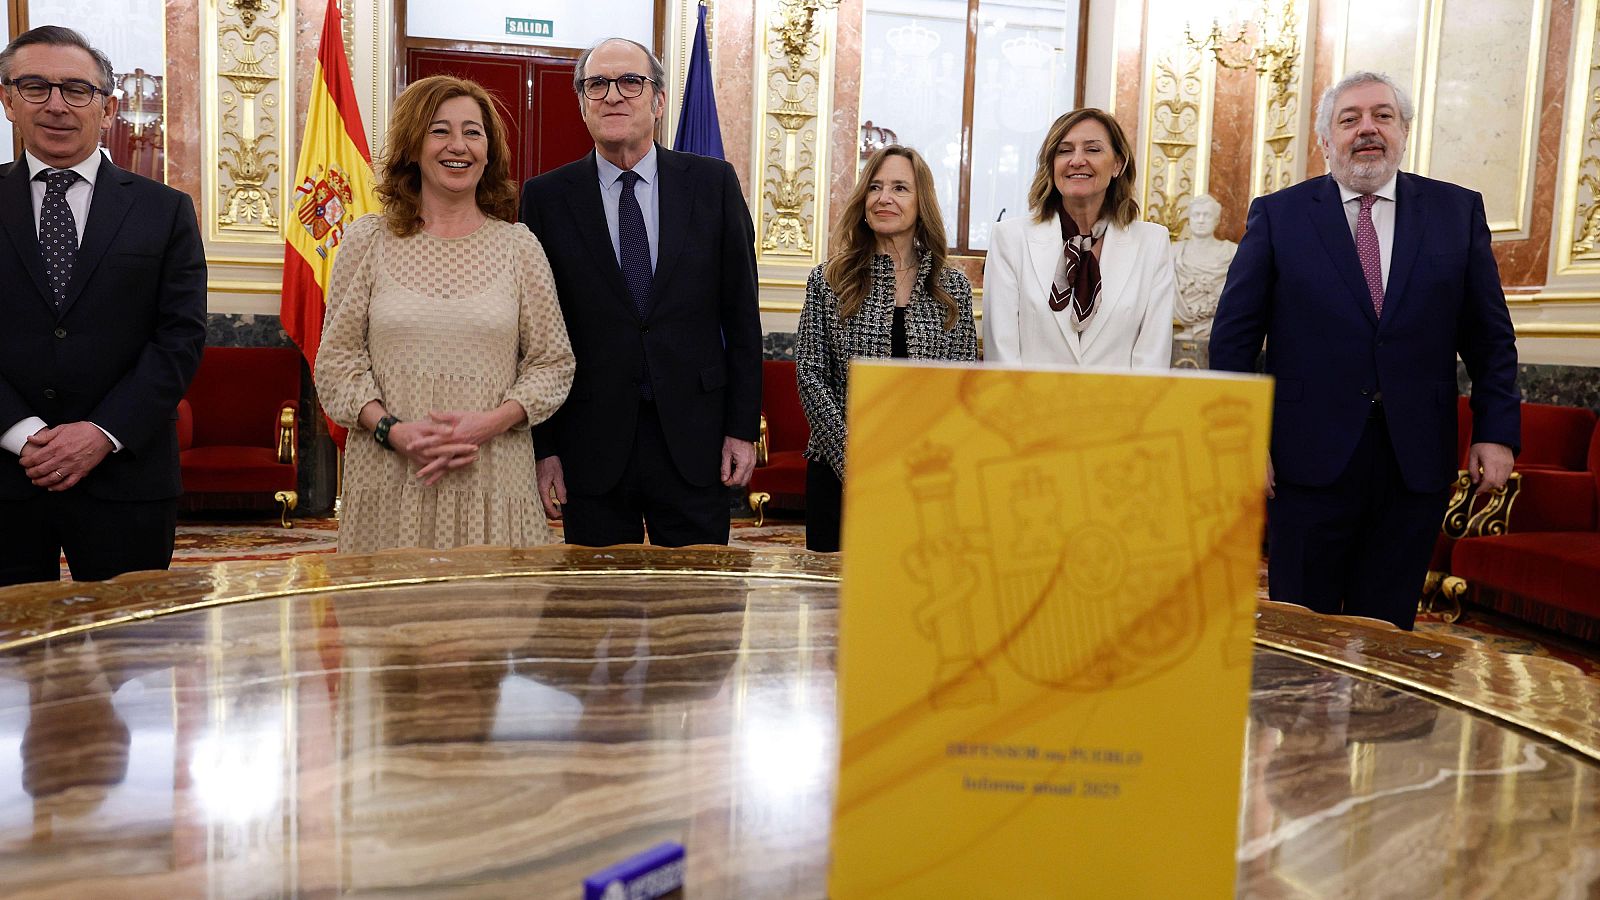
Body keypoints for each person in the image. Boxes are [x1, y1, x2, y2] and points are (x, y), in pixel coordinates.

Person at [1209, 71, 1519, 630]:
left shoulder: (1456, 212)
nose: (1367, 129)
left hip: (1413, 464)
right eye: (1349, 119)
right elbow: (1233, 339)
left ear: (1404, 131)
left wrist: (1495, 430)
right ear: (1326, 140)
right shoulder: (1279, 215)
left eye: (1382, 116)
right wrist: (1241, 441)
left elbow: (1490, 336)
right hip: (1306, 466)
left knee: (1389, 635)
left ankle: (1387, 723)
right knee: (1301, 634)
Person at [316, 75, 575, 553]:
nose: (458, 145)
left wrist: (488, 424)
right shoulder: (368, 241)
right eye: (440, 130)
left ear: (489, 151)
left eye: (473, 132)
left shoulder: (520, 247)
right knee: (390, 623)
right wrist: (395, 432)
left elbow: (552, 364)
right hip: (389, 484)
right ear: (413, 146)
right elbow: (336, 363)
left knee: (490, 623)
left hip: (494, 482)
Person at [519, 38, 761, 547]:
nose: (614, 95)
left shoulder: (713, 184)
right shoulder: (545, 199)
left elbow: (741, 318)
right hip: (591, 445)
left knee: (701, 611)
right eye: (597, 84)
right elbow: (533, 337)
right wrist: (546, 450)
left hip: (696, 439)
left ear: (658, 100)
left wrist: (742, 428)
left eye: (631, 81)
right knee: (595, 615)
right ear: (582, 102)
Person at [0, 26, 206, 586]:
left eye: (77, 89)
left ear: (108, 106)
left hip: (127, 477)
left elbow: (180, 338)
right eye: (35, 86)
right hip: (6, 476)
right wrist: (23, 433)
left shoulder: (166, 211)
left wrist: (101, 432)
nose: (57, 105)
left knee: (133, 657)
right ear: (8, 100)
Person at [796, 146, 976, 552]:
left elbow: (959, 388)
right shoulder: (828, 280)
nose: (884, 198)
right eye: (875, 187)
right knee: (833, 605)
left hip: (922, 476)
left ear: (921, 202)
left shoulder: (952, 288)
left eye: (899, 188)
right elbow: (810, 375)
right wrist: (854, 457)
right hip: (837, 470)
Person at [982, 108, 1175, 369]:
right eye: (1064, 150)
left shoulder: (1153, 243)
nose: (1077, 160)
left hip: (1120, 408)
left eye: (1093, 150)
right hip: (1031, 407)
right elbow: (1002, 358)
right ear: (1051, 165)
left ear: (1117, 164)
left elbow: (1152, 359)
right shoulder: (1009, 239)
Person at [1172, 194, 1237, 340]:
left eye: (1207, 215)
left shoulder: (1232, 252)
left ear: (1217, 220)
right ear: (1189, 220)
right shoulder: (1173, 252)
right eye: (1196, 215)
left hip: (1220, 333)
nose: (1201, 220)